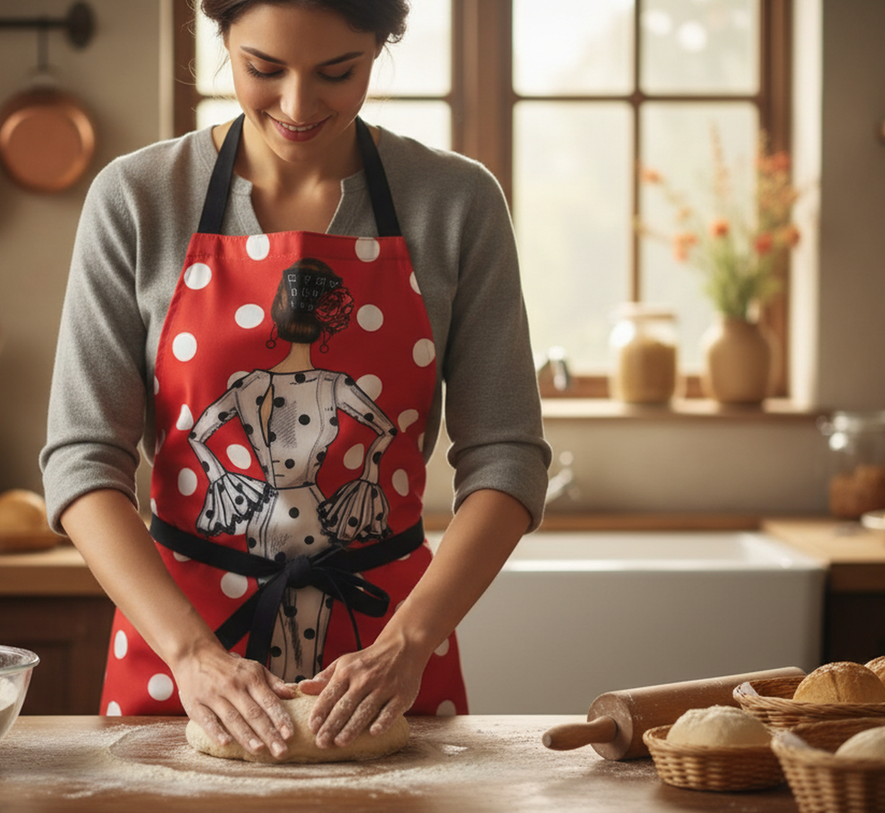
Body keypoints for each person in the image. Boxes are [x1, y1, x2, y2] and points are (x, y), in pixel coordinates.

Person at [40, 0, 550, 762]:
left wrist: (411, 639)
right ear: (220, 40)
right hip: (180, 655)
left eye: (336, 72)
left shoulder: (454, 203)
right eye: (263, 68)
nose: (298, 105)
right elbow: (82, 459)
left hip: (383, 655)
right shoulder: (138, 199)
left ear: (381, 44)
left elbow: (506, 455)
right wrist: (190, 654)